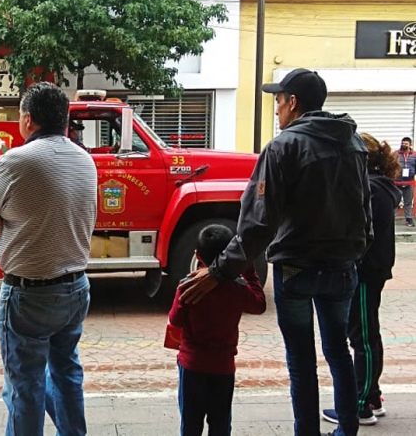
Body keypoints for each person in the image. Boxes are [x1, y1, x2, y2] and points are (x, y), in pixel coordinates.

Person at [178, 68, 371, 436]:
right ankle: (347, 429)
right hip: (343, 266)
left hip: (296, 268)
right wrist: (358, 254)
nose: (277, 110)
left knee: (301, 363)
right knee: (338, 352)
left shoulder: (283, 147)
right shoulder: (353, 143)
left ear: (293, 103)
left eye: (279, 101)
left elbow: (257, 225)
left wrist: (219, 270)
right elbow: (363, 208)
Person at [0, 82, 97, 436]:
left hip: (29, 295)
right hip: (76, 288)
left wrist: (17, 223)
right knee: (67, 372)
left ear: (27, 119)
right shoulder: (84, 159)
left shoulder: (16, 160)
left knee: (25, 385)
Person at [322, 133, 401, 427]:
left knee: (363, 337)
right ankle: (373, 395)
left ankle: (360, 404)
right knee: (367, 332)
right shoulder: (378, 185)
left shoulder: (373, 189)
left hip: (366, 271)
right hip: (371, 269)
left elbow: (363, 232)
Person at [168, 224, 266, 436]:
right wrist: (248, 270)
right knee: (221, 424)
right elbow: (260, 304)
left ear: (197, 255)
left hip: (192, 366)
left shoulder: (188, 286)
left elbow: (175, 320)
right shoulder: (238, 288)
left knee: (191, 424)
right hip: (223, 368)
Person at [394, 136, 416, 227]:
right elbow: (391, 165)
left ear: (410, 145)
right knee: (395, 201)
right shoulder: (395, 154)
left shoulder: (414, 155)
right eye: (402, 143)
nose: (403, 145)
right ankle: (392, 218)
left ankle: (408, 219)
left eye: (406, 144)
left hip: (409, 182)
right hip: (396, 182)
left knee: (408, 202)